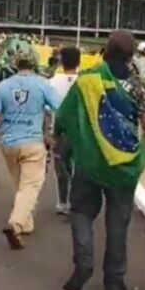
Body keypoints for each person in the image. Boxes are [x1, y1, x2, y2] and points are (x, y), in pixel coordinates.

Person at [55, 31, 145, 290]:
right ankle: (114, 282)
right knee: (118, 222)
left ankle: (83, 263)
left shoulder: (87, 81)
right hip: (123, 164)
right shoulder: (137, 85)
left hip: (90, 160)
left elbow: (64, 116)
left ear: (105, 51)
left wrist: (62, 141)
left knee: (81, 212)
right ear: (131, 56)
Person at [0, 49, 62, 249]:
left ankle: (27, 223)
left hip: (8, 142)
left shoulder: (4, 86)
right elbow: (60, 108)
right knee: (30, 186)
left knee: (21, 185)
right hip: (33, 141)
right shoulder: (42, 84)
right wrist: (55, 133)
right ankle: (15, 224)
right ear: (35, 64)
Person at [48, 46, 81, 215]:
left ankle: (63, 201)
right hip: (80, 132)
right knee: (78, 167)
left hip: (59, 130)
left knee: (61, 167)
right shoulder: (83, 82)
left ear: (61, 60)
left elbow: (46, 109)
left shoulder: (52, 81)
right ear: (79, 61)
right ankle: (76, 201)